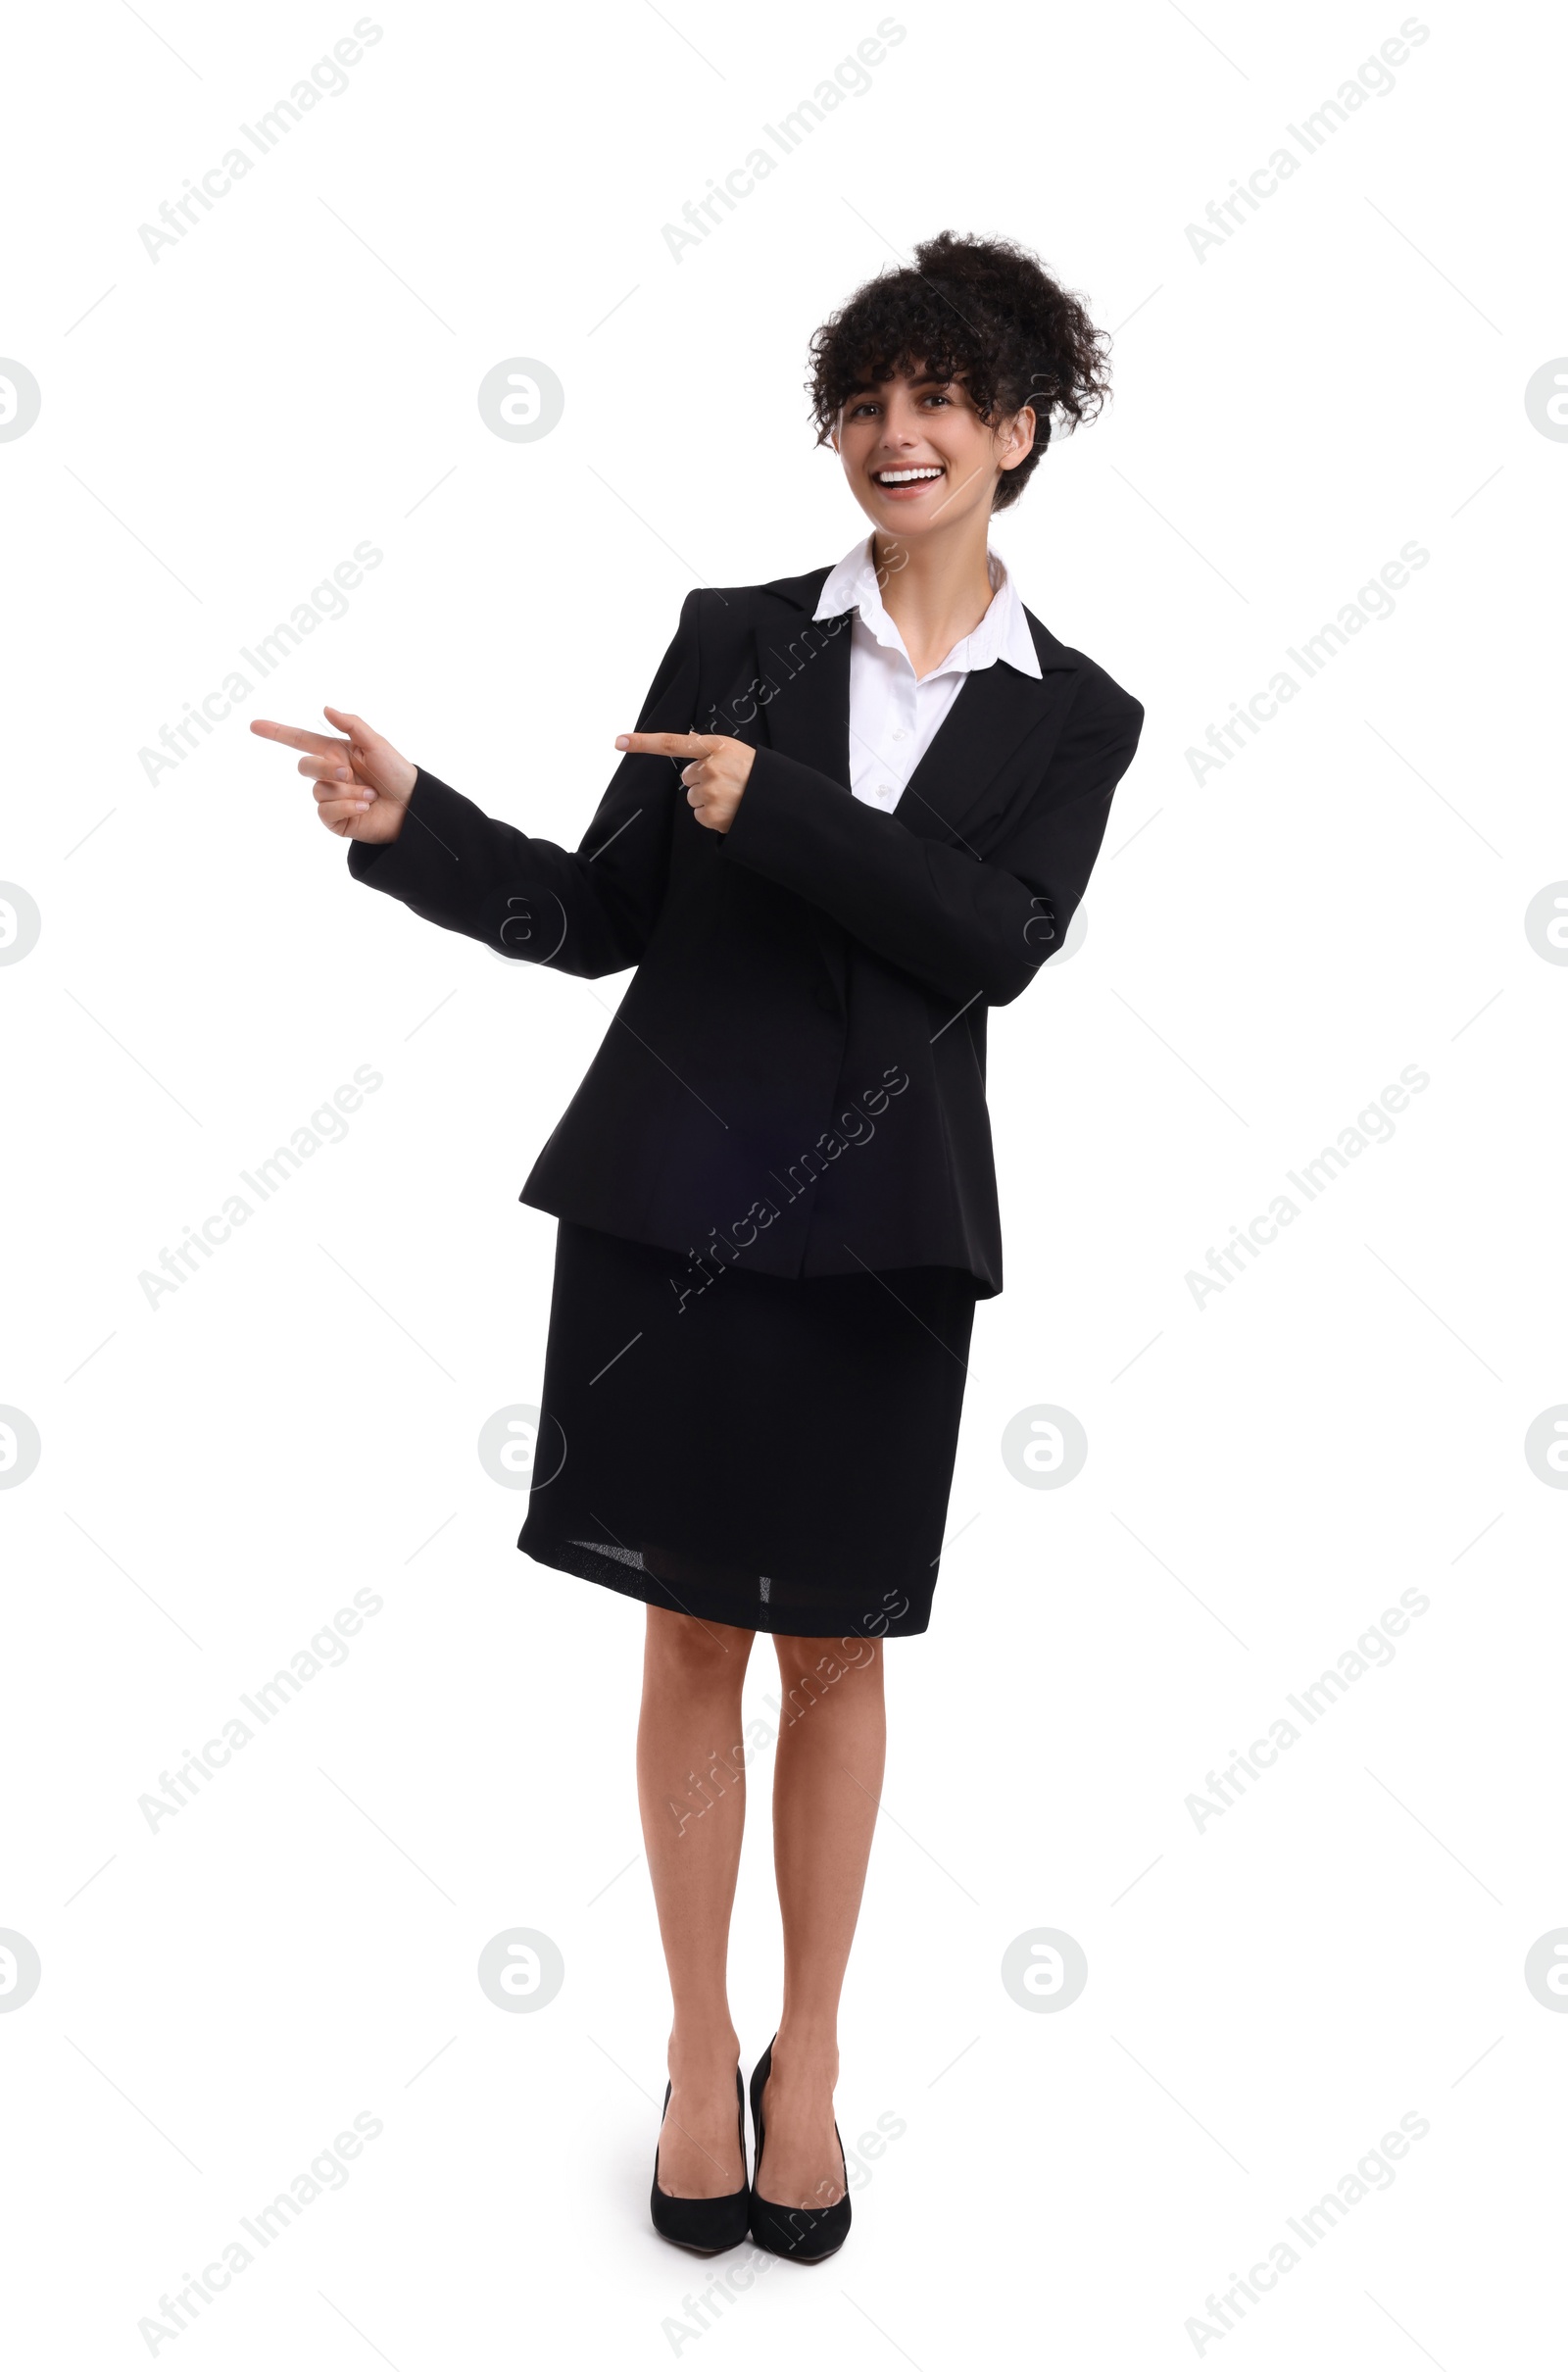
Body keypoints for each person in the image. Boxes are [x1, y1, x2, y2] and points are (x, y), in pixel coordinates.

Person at [251, 228, 1144, 2262]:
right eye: (864, 397)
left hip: (891, 1237)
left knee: (837, 1651)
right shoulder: (732, 633)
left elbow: (994, 948)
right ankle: (690, 2050)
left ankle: (807, 2063)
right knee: (687, 1637)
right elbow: (594, 912)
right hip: (673, 1207)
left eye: (937, 397)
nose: (892, 430)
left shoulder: (1074, 713)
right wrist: (418, 825)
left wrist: (780, 815)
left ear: (1015, 430)